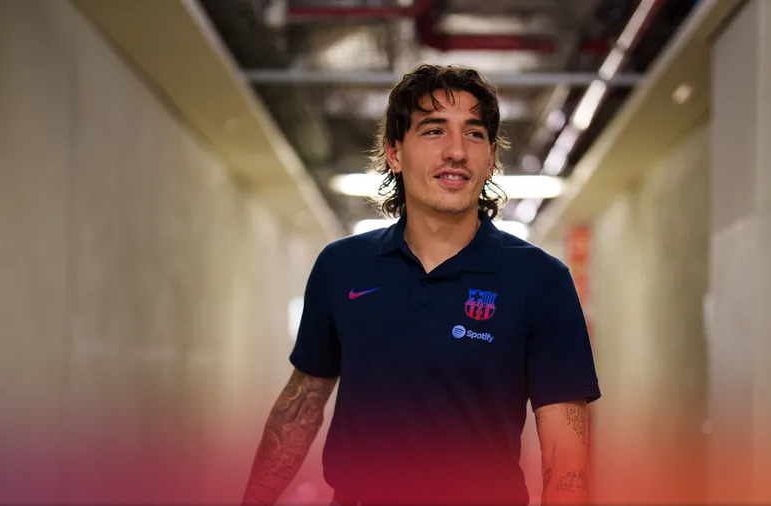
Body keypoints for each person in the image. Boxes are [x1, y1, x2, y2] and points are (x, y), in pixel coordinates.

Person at [242, 64, 600, 506]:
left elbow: (566, 458)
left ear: (490, 158)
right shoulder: (342, 266)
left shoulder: (541, 280)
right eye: (434, 131)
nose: (456, 151)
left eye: (474, 134)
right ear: (394, 153)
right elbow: (301, 406)